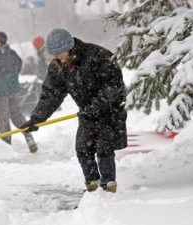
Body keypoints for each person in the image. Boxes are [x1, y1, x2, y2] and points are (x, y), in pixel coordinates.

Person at [21, 28, 127, 192]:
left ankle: (108, 187)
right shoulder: (58, 66)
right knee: (83, 148)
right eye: (54, 54)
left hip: (109, 110)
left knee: (104, 148)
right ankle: (92, 185)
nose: (57, 57)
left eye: (60, 52)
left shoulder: (97, 56)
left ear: (69, 47)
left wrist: (96, 105)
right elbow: (51, 94)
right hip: (87, 112)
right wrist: (37, 119)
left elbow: (113, 85)